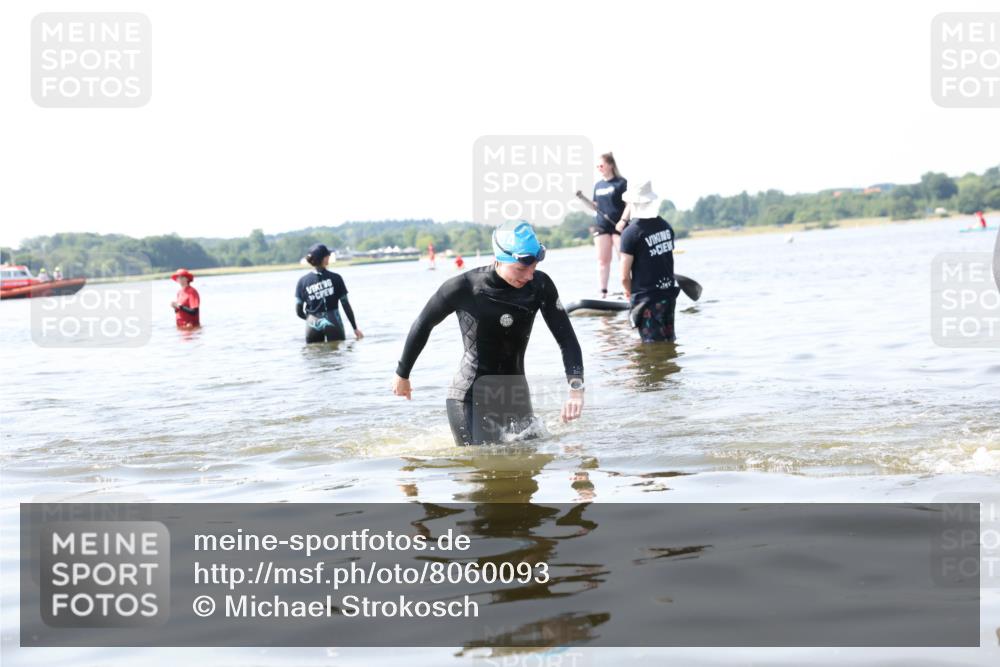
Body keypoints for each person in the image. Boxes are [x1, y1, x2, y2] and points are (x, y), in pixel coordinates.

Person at [392, 220, 585, 446]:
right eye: (521, 269)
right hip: (470, 395)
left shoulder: (540, 286)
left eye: (533, 268)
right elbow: (423, 324)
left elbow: (566, 339)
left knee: (529, 461)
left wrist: (576, 389)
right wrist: (402, 374)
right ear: (499, 259)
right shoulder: (463, 287)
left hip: (515, 394)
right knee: (479, 462)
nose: (529, 276)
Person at [619, 181, 680, 343]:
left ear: (632, 203)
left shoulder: (630, 233)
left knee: (651, 346)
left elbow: (624, 277)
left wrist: (628, 292)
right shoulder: (666, 227)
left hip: (646, 300)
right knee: (669, 340)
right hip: (668, 295)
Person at [295, 243, 363, 343]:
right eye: (328, 255)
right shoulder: (336, 278)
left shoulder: (302, 282)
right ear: (324, 259)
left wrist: (310, 319)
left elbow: (298, 311)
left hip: (312, 324)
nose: (329, 256)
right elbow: (346, 305)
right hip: (333, 321)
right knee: (337, 351)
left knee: (314, 352)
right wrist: (355, 328)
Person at [591, 152, 628, 297]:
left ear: (610, 165)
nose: (599, 168)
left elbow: (629, 205)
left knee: (623, 258)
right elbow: (595, 206)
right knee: (603, 260)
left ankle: (628, 288)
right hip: (602, 226)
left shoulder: (621, 183)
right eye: (597, 166)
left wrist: (623, 221)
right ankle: (603, 291)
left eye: (601, 165)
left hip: (618, 225)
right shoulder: (598, 185)